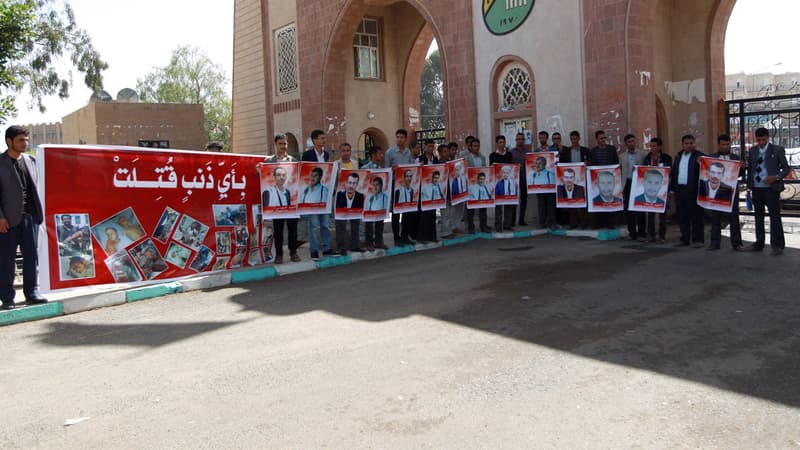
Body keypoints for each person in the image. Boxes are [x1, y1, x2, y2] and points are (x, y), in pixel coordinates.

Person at [0, 126, 46, 309]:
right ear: (9, 141)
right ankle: (7, 298)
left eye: (26, 139)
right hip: (7, 220)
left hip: (30, 218)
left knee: (31, 257)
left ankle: (32, 292)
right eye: (21, 140)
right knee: (6, 259)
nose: (25, 143)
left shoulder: (31, 161)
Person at [746, 127, 789, 255]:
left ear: (768, 137)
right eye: (758, 140)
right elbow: (751, 170)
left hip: (771, 189)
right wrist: (749, 187)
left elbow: (786, 169)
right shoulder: (753, 151)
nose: (761, 142)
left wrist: (775, 177)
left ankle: (777, 245)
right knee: (758, 217)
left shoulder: (777, 150)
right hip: (756, 189)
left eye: (763, 139)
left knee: (774, 217)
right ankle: (759, 243)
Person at [266, 134, 299, 263]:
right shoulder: (269, 161)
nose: (283, 146)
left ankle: (293, 252)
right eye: (280, 144)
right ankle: (279, 254)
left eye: (285, 144)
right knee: (278, 230)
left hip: (291, 200)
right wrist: (259, 170)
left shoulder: (293, 160)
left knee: (293, 229)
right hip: (276, 204)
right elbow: (264, 176)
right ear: (275, 145)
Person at [706, 134, 743, 251]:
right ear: (718, 145)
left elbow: (740, 175)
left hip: (731, 191)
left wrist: (742, 167)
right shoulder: (711, 157)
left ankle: (736, 243)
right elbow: (705, 171)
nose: (725, 147)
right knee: (716, 217)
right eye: (723, 144)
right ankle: (714, 243)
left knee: (734, 218)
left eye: (727, 144)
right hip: (715, 192)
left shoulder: (736, 157)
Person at [301, 129, 333, 260]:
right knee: (314, 225)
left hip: (324, 194)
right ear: (314, 140)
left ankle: (326, 248)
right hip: (312, 196)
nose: (323, 140)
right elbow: (303, 172)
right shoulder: (307, 155)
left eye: (324, 138)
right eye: (321, 138)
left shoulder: (326, 154)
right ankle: (314, 250)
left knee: (325, 224)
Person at [669, 134, 705, 247]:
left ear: (694, 144)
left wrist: (701, 164)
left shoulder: (699, 156)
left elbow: (707, 170)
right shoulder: (679, 156)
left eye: (691, 143)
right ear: (682, 145)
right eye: (686, 143)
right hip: (680, 189)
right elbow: (674, 172)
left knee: (696, 215)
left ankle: (698, 239)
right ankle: (684, 238)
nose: (689, 146)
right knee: (682, 215)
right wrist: (672, 189)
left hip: (693, 190)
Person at [385, 129, 415, 246]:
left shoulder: (408, 152)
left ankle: (405, 236)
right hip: (395, 186)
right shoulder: (390, 152)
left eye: (402, 137)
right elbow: (386, 170)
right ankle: (396, 238)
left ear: (405, 138)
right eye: (397, 137)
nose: (399, 139)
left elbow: (412, 167)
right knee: (396, 212)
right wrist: (391, 169)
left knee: (407, 211)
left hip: (407, 186)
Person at [642, 137, 672, 244]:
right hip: (650, 189)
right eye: (651, 146)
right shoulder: (647, 158)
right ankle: (650, 235)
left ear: (659, 146)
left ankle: (662, 235)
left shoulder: (666, 158)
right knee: (650, 212)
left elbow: (670, 172)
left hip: (662, 189)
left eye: (654, 146)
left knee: (662, 214)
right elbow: (643, 172)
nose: (652, 148)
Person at [589, 130, 620, 229]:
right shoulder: (593, 151)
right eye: (601, 138)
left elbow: (616, 162)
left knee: (610, 201)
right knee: (599, 200)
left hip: (610, 179)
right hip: (598, 180)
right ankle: (599, 223)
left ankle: (610, 223)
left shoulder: (611, 149)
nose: (603, 140)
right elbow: (592, 164)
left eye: (604, 138)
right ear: (597, 139)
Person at [619, 134, 648, 240]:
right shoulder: (622, 156)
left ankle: (642, 232)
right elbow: (619, 171)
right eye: (629, 142)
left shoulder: (642, 154)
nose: (632, 143)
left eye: (633, 141)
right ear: (626, 144)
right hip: (627, 183)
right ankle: (632, 232)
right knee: (629, 209)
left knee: (640, 208)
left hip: (639, 184)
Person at [560, 130, 591, 228]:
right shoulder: (566, 151)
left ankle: (584, 223)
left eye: (575, 139)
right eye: (572, 139)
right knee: (571, 201)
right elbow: (562, 164)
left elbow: (590, 162)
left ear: (579, 139)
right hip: (570, 179)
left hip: (582, 179)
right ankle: (573, 223)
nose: (574, 141)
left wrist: (587, 164)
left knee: (582, 200)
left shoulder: (585, 150)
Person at [334, 171, 365, 255]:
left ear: (357, 184)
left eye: (354, 183)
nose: (351, 186)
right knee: (341, 226)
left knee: (355, 225)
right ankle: (341, 248)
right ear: (346, 183)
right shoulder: (339, 195)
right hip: (342, 213)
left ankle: (355, 246)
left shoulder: (360, 196)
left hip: (354, 212)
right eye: (350, 182)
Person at [464, 139, 490, 233]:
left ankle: (483, 226)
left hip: (481, 185)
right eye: (474, 146)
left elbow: (485, 170)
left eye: (478, 146)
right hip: (471, 186)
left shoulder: (482, 157)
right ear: (470, 147)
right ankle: (471, 227)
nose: (476, 148)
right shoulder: (467, 158)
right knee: (470, 208)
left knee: (483, 206)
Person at [417, 139, 439, 243]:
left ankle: (432, 236)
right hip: (424, 190)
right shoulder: (420, 159)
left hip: (433, 191)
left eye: (432, 146)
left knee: (433, 214)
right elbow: (416, 172)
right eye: (429, 146)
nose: (431, 148)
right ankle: (422, 237)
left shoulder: (435, 159)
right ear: (425, 147)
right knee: (425, 214)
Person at [490, 136, 514, 232]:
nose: (502, 144)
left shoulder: (509, 155)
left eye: (503, 142)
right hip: (498, 183)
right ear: (496, 143)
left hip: (508, 182)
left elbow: (512, 167)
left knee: (508, 203)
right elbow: (492, 168)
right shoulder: (492, 155)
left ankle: (507, 224)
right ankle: (498, 225)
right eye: (500, 142)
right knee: (498, 205)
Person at [509, 132, 530, 225]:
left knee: (524, 199)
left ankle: (521, 219)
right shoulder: (511, 152)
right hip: (514, 179)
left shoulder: (528, 152)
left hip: (525, 178)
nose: (520, 141)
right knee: (514, 199)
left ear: (524, 140)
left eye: (522, 139)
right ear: (516, 140)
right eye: (518, 139)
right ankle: (512, 220)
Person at [363, 175, 389, 251]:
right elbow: (367, 208)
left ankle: (378, 242)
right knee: (369, 224)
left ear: (381, 186)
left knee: (380, 224)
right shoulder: (370, 197)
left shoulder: (384, 197)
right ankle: (369, 243)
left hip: (380, 213)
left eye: (377, 185)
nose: (375, 187)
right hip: (370, 214)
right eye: (374, 185)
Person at [393, 168, 418, 245]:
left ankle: (405, 237)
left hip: (407, 206)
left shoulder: (412, 190)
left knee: (408, 216)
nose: (409, 178)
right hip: (398, 205)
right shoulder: (398, 190)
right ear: (404, 178)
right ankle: (397, 239)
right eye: (407, 176)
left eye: (410, 176)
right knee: (396, 217)